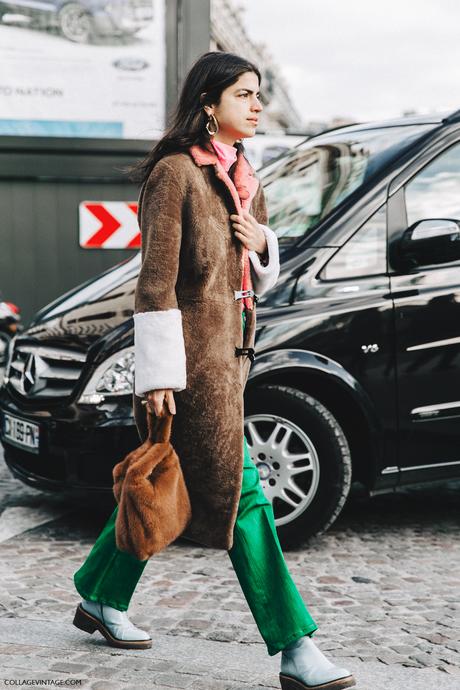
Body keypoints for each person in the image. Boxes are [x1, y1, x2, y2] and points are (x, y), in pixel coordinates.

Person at [72, 51, 356, 690]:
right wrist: (160, 378)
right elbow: (156, 286)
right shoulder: (175, 175)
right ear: (209, 104)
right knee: (246, 500)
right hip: (191, 370)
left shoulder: (240, 172)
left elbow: (248, 273)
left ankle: (99, 593)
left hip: (231, 365)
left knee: (163, 483)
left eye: (260, 95)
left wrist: (263, 246)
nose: (257, 105)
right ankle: (295, 647)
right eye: (245, 95)